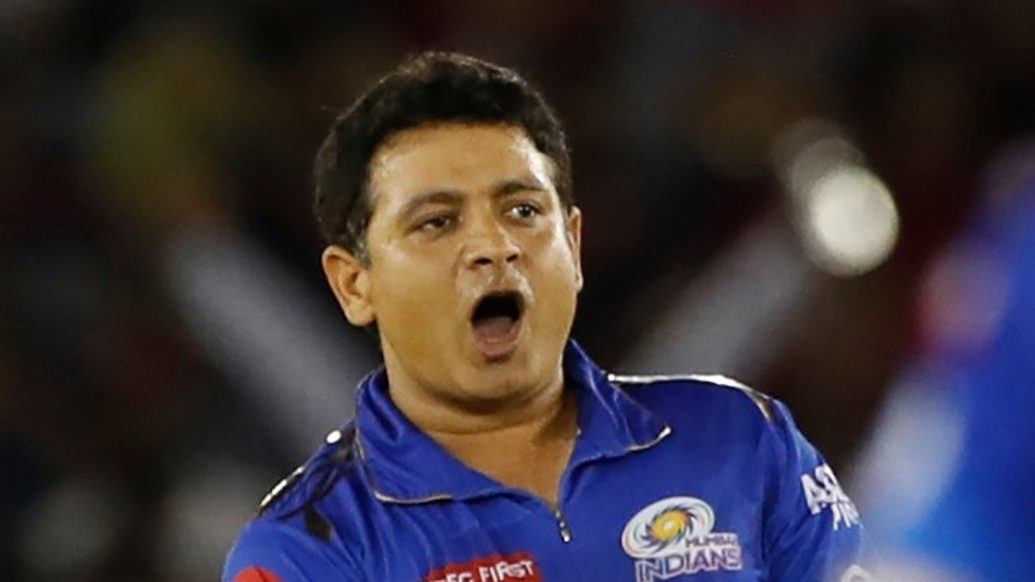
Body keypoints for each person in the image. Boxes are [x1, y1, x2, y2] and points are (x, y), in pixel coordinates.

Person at [223, 51, 874, 582]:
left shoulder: (741, 440)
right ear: (354, 284)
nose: (493, 246)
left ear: (574, 245)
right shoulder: (309, 551)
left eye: (523, 211)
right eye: (437, 222)